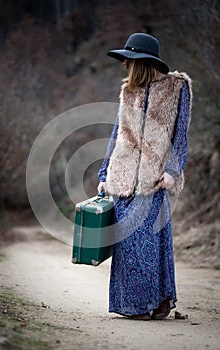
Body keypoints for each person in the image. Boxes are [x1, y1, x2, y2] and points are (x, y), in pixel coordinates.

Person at [97, 33, 192, 320]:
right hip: (122, 181)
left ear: (141, 62)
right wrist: (104, 173)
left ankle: (158, 302)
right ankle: (135, 306)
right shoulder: (128, 91)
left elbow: (181, 136)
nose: (124, 64)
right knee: (127, 247)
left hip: (154, 181)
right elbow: (116, 135)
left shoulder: (177, 89)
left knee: (151, 243)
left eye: (129, 59)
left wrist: (173, 171)